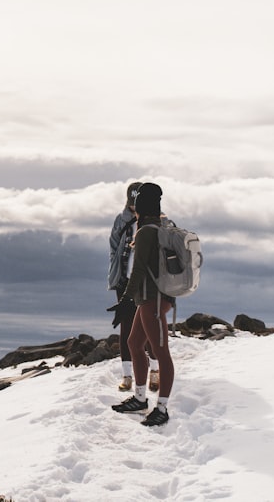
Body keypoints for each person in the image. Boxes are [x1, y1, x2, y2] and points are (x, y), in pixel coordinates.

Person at [111, 182, 175, 427]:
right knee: (134, 343)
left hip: (154, 300)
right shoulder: (159, 227)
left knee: (161, 352)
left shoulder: (147, 231)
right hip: (150, 298)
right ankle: (140, 398)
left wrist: (126, 299)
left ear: (140, 206)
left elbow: (137, 270)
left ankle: (162, 408)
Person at [107, 182, 160, 393]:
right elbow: (113, 247)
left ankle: (154, 371)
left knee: (149, 329)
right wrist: (117, 273)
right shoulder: (121, 221)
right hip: (125, 282)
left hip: (149, 285)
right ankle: (127, 375)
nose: (133, 208)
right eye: (131, 204)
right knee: (126, 327)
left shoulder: (157, 221)